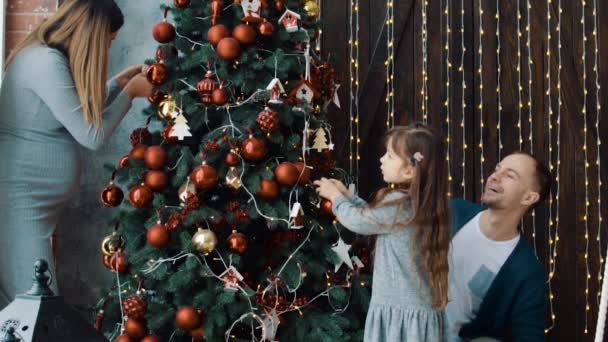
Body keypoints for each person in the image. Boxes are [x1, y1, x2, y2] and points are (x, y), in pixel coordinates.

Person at [0, 0, 154, 307]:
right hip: (20, 202)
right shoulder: (45, 62)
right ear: (92, 36)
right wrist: (130, 94)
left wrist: (116, 84)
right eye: (108, 41)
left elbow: (69, 112)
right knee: (33, 305)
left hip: (31, 204)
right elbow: (91, 134)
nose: (108, 49)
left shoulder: (45, 59)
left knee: (25, 304)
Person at [315, 124, 450, 341]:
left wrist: (337, 198)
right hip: (423, 313)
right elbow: (376, 218)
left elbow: (359, 221)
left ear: (409, 170)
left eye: (389, 155)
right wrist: (349, 198)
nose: (382, 159)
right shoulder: (422, 205)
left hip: (398, 311)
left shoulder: (397, 203)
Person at [447, 152, 552, 341]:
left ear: (528, 197)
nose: (494, 176)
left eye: (509, 175)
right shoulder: (452, 213)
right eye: (497, 169)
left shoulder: (526, 272)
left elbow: (529, 335)